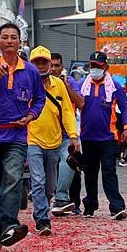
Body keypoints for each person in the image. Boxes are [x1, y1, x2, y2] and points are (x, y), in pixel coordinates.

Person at [0, 23, 45, 252]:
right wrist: (0, 72)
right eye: (4, 37)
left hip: (17, 135)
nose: (9, 40)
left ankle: (8, 225)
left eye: (13, 37)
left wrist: (30, 116)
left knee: (13, 179)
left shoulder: (31, 71)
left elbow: (39, 99)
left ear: (20, 42)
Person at [27, 46, 80, 235]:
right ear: (30, 64)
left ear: (50, 64)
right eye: (37, 62)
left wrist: (73, 136)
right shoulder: (25, 83)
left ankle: (43, 207)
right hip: (32, 139)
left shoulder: (59, 85)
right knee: (38, 180)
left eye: (44, 62)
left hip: (55, 141)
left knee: (50, 185)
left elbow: (67, 111)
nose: (41, 66)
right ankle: (42, 220)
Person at [78, 51, 127, 220]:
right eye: (92, 66)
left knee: (109, 172)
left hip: (109, 138)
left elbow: (125, 107)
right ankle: (90, 205)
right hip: (87, 137)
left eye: (98, 66)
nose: (94, 69)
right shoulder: (82, 85)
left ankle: (117, 207)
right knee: (90, 173)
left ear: (106, 67)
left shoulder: (114, 86)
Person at [49, 53, 85, 216]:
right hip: (46, 135)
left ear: (62, 67)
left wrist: (65, 87)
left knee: (71, 165)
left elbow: (80, 103)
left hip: (66, 134)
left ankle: (70, 202)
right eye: (52, 65)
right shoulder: (39, 82)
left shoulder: (69, 82)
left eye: (57, 65)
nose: (54, 69)